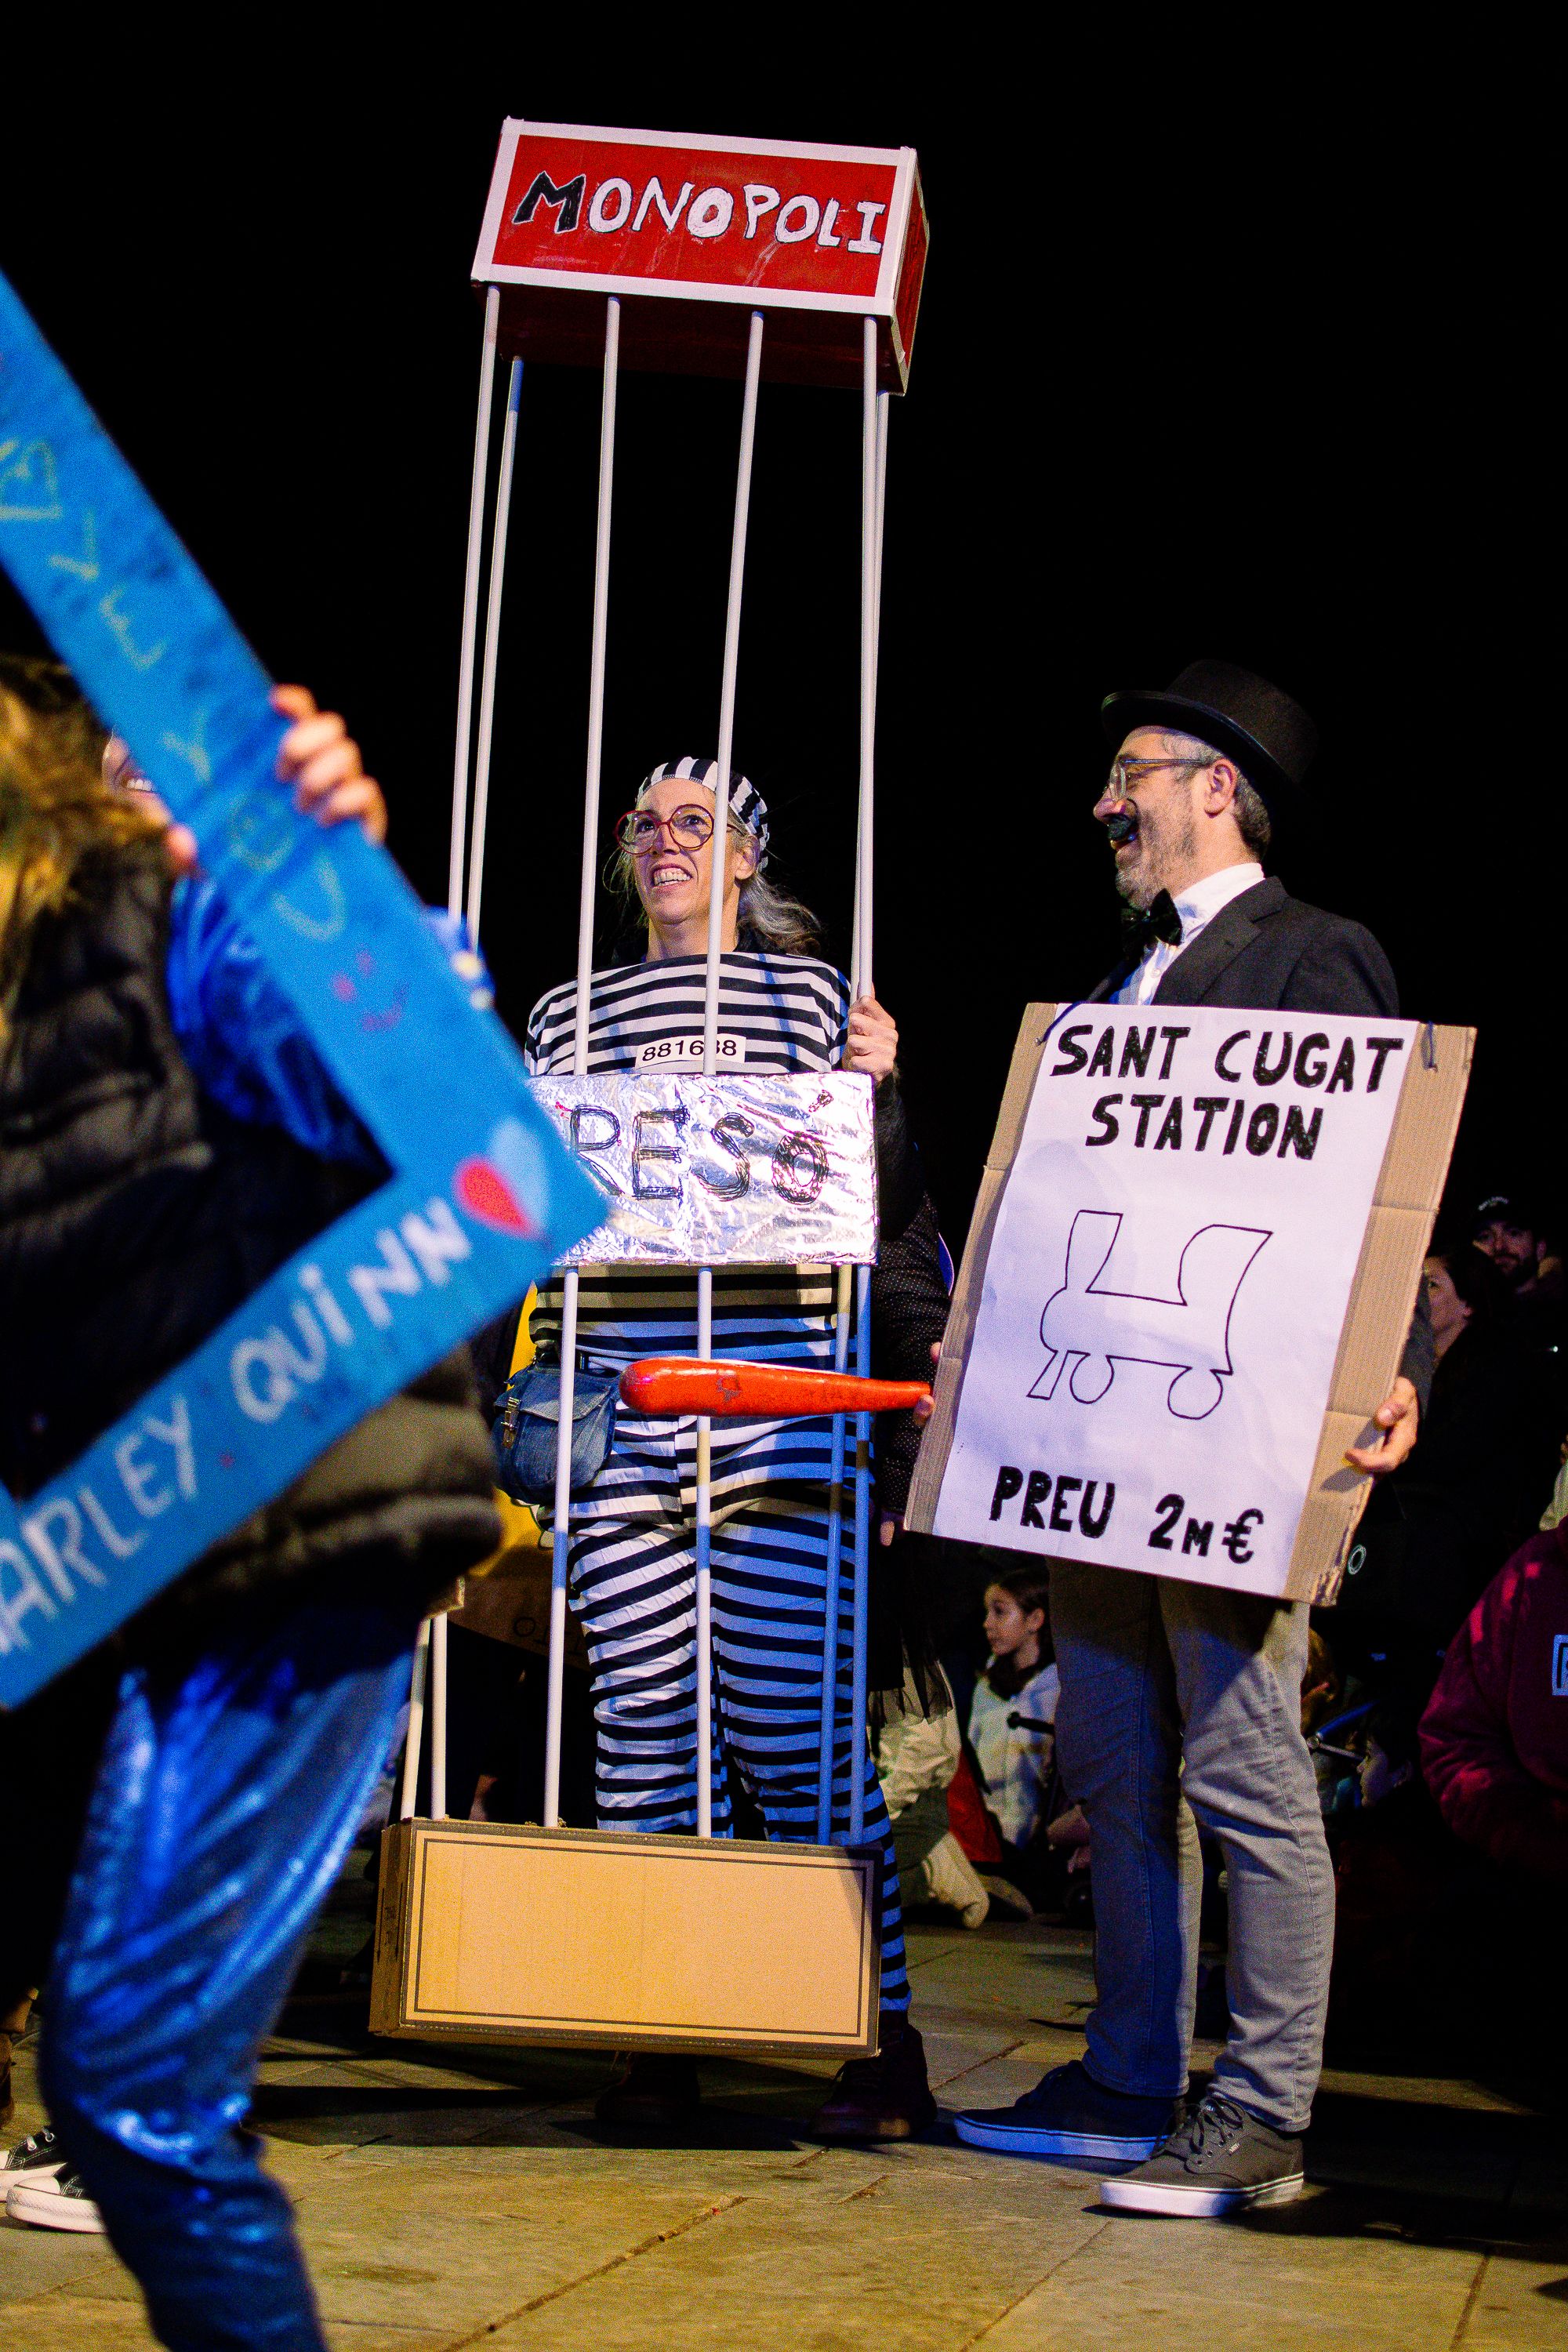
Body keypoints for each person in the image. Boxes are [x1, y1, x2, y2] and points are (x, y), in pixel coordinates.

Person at [0, 655, 500, 2340]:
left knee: (137, 2078)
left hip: (283, 1534)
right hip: (109, 1560)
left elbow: (435, 1092)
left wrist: (315, 876)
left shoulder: (175, 916)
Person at [951, 659, 1431, 2216]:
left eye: (1133, 773)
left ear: (1215, 785)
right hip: (1101, 1440)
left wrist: (1394, 1362)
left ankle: (1266, 2113)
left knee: (1240, 1755)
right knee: (1112, 1749)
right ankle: (1130, 2074)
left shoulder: (1313, 955)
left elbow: (1373, 1187)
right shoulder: (1110, 989)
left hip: (1233, 1440)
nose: (1107, 802)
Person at [521, 755, 934, 2140]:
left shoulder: (812, 1001)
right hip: (624, 1409)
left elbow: (884, 1205)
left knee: (798, 1733)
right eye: (642, 824)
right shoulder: (570, 1010)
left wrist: (878, 1092)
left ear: (748, 859)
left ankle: (872, 2032)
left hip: (781, 1405)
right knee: (646, 1728)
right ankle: (661, 2030)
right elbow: (538, 1209)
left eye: (692, 823)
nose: (661, 842)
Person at [1338, 1244, 1560, 1704]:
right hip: (1398, 1548)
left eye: (1432, 1285)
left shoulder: (1499, 1368)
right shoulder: (1396, 1369)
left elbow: (1450, 1459)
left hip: (1458, 1551)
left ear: (1469, 1304)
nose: (1415, 1294)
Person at [967, 1569, 1059, 1891]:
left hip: (1039, 1842)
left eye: (1000, 1612)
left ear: (1035, 1620)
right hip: (988, 1838)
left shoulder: (1059, 1687)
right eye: (987, 1612)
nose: (987, 1623)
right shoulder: (986, 1686)